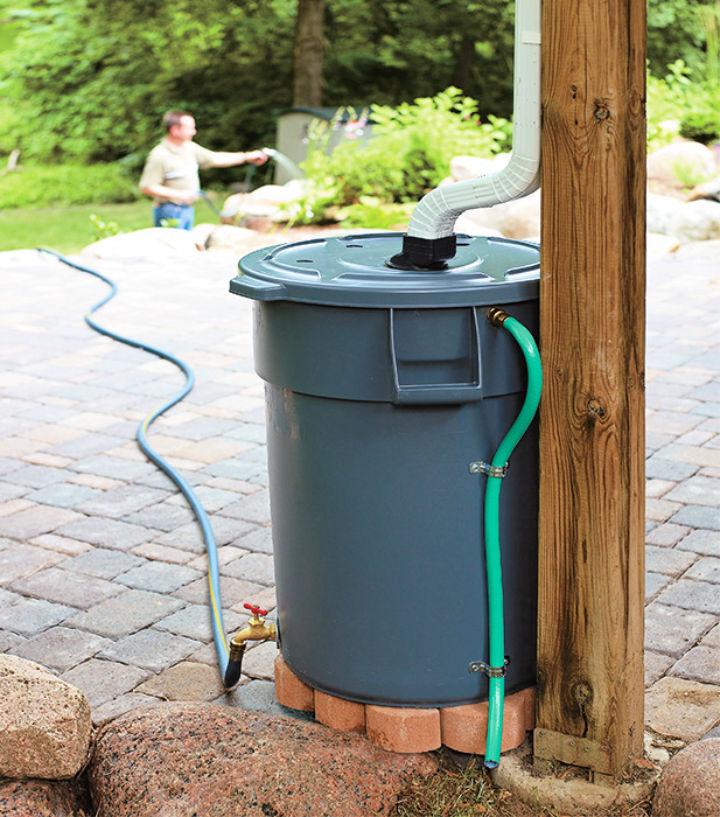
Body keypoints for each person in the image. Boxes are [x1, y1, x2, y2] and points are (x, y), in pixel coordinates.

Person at [139, 110, 268, 229]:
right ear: (175, 130)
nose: (194, 132)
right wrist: (179, 194)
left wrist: (247, 157)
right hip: (169, 211)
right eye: (190, 128)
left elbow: (215, 158)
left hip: (187, 210)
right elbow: (147, 186)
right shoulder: (159, 155)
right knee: (171, 251)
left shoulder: (189, 148)